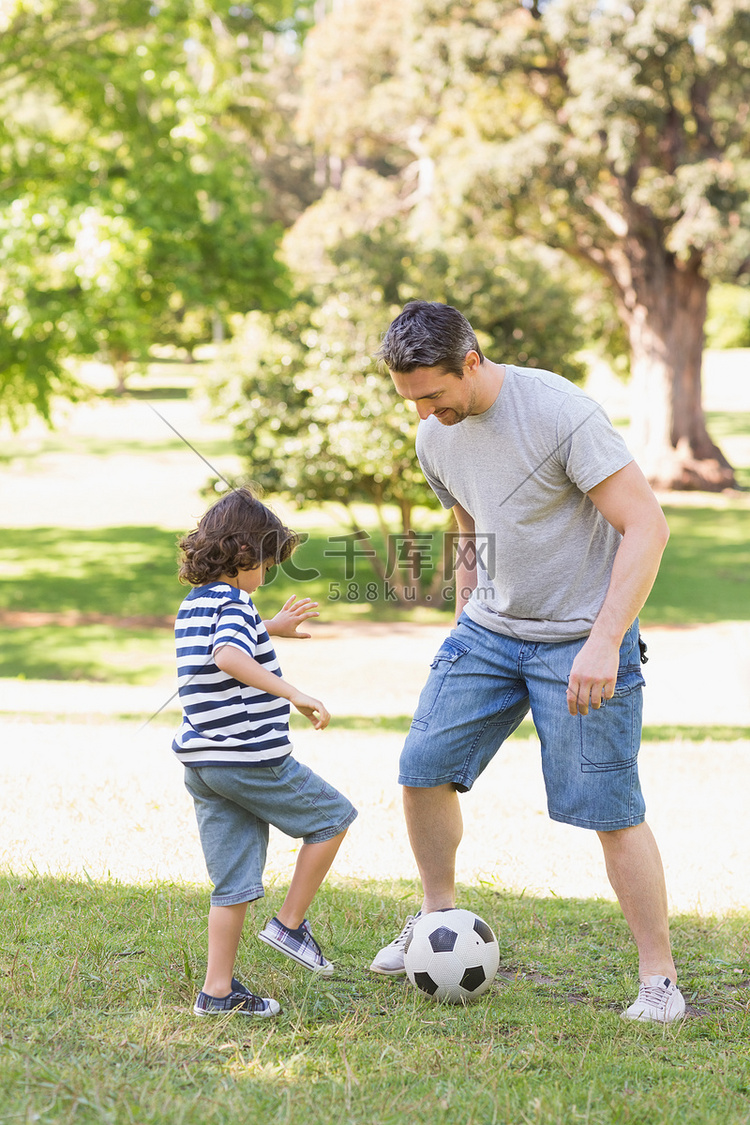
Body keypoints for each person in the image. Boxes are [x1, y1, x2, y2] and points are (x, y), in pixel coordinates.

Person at [369, 301, 684, 1024]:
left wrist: (606, 640)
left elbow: (647, 526)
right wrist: (463, 622)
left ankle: (659, 980)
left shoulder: (559, 414)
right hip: (489, 630)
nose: (423, 410)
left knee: (610, 807)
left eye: (433, 393)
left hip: (580, 632)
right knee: (421, 766)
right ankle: (434, 918)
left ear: (471, 361)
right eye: (410, 397)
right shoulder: (434, 438)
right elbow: (470, 529)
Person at [173, 488, 357, 1017]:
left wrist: (271, 629)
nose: (268, 575)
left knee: (232, 884)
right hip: (249, 757)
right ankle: (290, 924)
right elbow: (228, 655)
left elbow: (222, 645)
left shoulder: (198, 603)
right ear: (244, 556)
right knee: (333, 819)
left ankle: (217, 992)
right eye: (267, 564)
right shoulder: (234, 602)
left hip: (203, 764)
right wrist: (294, 692)